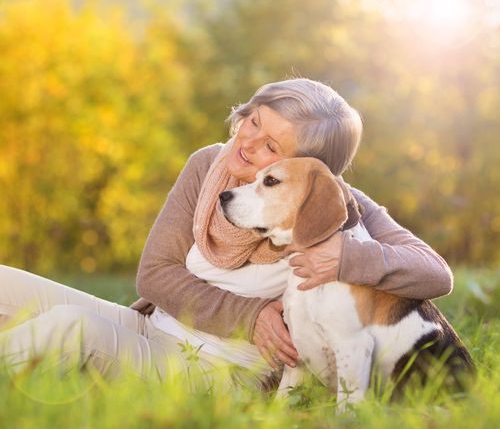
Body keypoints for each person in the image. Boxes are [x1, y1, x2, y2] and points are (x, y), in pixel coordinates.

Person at [0, 78, 452, 392]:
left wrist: (345, 258)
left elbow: (436, 275)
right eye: (254, 121)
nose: (247, 142)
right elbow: (155, 275)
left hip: (218, 371)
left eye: (272, 147)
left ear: (305, 170)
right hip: (150, 325)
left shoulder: (330, 204)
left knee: (68, 328)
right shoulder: (208, 164)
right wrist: (249, 315)